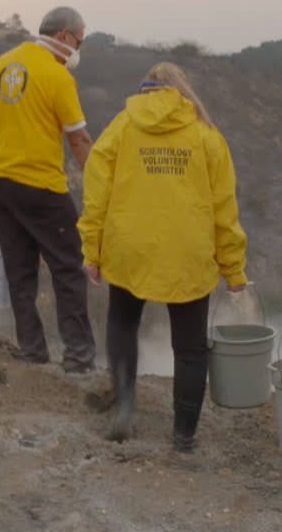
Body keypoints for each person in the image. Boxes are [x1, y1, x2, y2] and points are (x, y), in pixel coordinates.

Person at [78, 62, 248, 453]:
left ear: (145, 91)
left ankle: (123, 407)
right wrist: (234, 270)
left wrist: (93, 249)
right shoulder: (206, 136)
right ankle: (183, 436)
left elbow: (96, 192)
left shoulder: (121, 127)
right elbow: (225, 209)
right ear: (182, 91)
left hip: (129, 247)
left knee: (122, 324)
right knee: (189, 347)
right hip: (188, 252)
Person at [0, 6, 96, 373]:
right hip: (40, 186)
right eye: (79, 41)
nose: (78, 50)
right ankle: (78, 357)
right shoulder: (56, 76)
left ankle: (32, 349)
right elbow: (79, 140)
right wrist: (104, 184)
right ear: (62, 37)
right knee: (69, 266)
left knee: (19, 270)